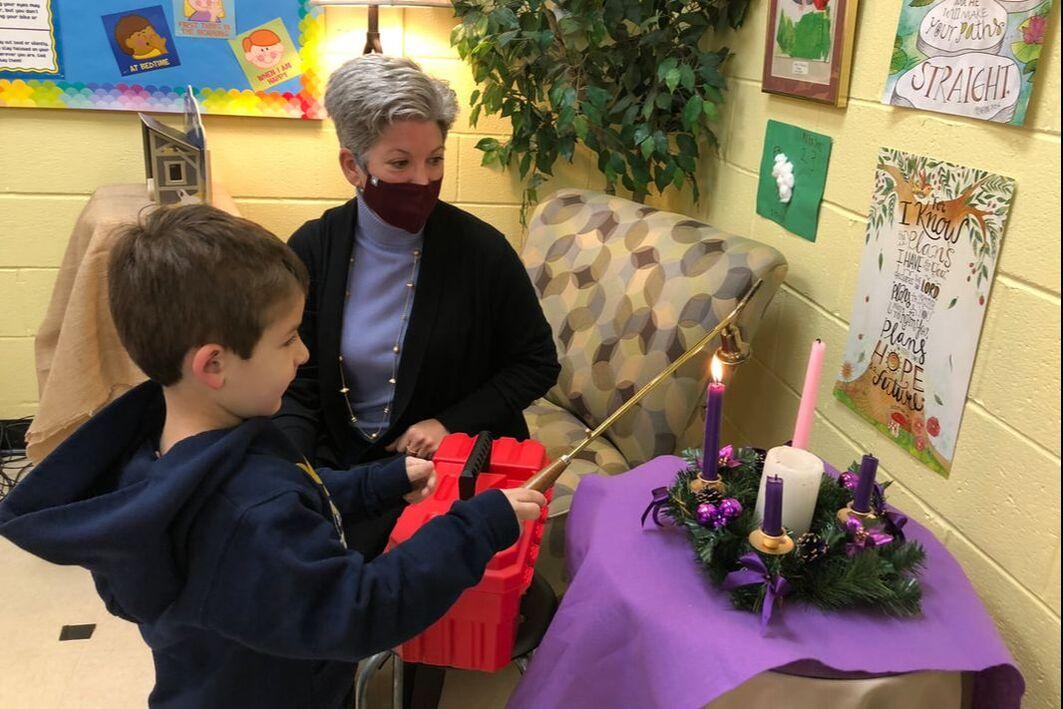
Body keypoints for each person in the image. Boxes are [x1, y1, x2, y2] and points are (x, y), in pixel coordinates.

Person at [0, 205, 547, 708]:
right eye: (288, 340)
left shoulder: (169, 450)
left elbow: (296, 490)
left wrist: (379, 482)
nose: (305, 353)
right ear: (214, 365)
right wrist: (475, 525)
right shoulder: (248, 514)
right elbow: (361, 611)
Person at [278, 54, 560, 555]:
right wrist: (299, 475)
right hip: (344, 462)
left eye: (435, 160)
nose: (422, 180)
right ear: (352, 166)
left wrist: (448, 422)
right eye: (400, 163)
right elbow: (294, 382)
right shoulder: (312, 249)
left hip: (448, 467)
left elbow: (536, 362)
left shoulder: (481, 251)